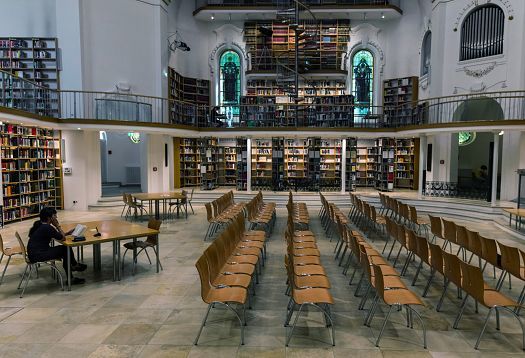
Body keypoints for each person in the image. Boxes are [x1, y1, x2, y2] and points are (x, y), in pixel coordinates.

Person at [27, 207, 87, 285]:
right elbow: (63, 238)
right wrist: (57, 226)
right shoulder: (47, 227)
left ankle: (73, 267)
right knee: (66, 249)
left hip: (34, 253)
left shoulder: (40, 224)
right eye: (55, 216)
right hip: (38, 255)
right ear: (49, 218)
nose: (56, 218)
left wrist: (67, 233)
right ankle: (73, 268)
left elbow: (56, 235)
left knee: (64, 249)